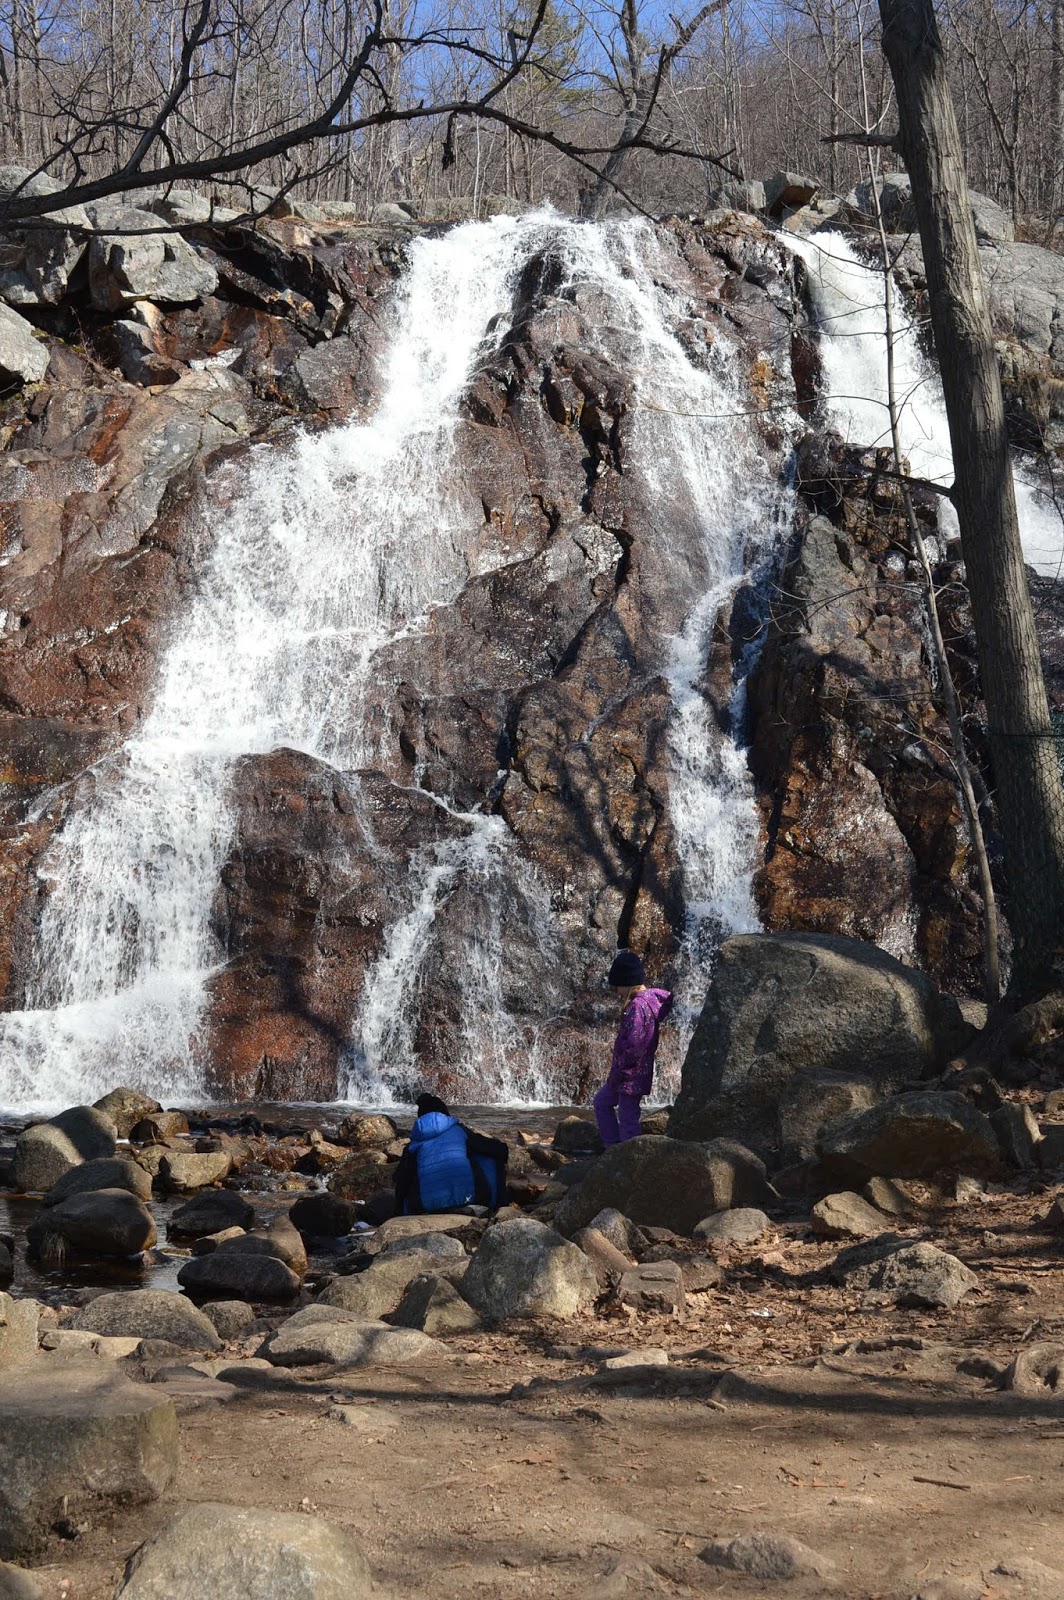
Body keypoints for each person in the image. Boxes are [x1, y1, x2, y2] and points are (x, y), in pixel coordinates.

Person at [593, 950, 672, 1145]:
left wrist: (621, 1069)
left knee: (628, 1118)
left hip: (629, 1075)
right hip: (629, 1074)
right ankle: (612, 1147)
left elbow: (635, 1044)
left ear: (627, 983)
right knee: (602, 1102)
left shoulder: (638, 1006)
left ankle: (627, 1156)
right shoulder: (646, 1003)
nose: (616, 991)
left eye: (617, 986)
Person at [393, 1093, 509, 1214]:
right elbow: (499, 1150)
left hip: (424, 1207)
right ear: (445, 1114)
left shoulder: (414, 1144)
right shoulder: (459, 1131)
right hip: (470, 1199)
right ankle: (500, 1206)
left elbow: (400, 1181)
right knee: (489, 1156)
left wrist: (397, 1212)